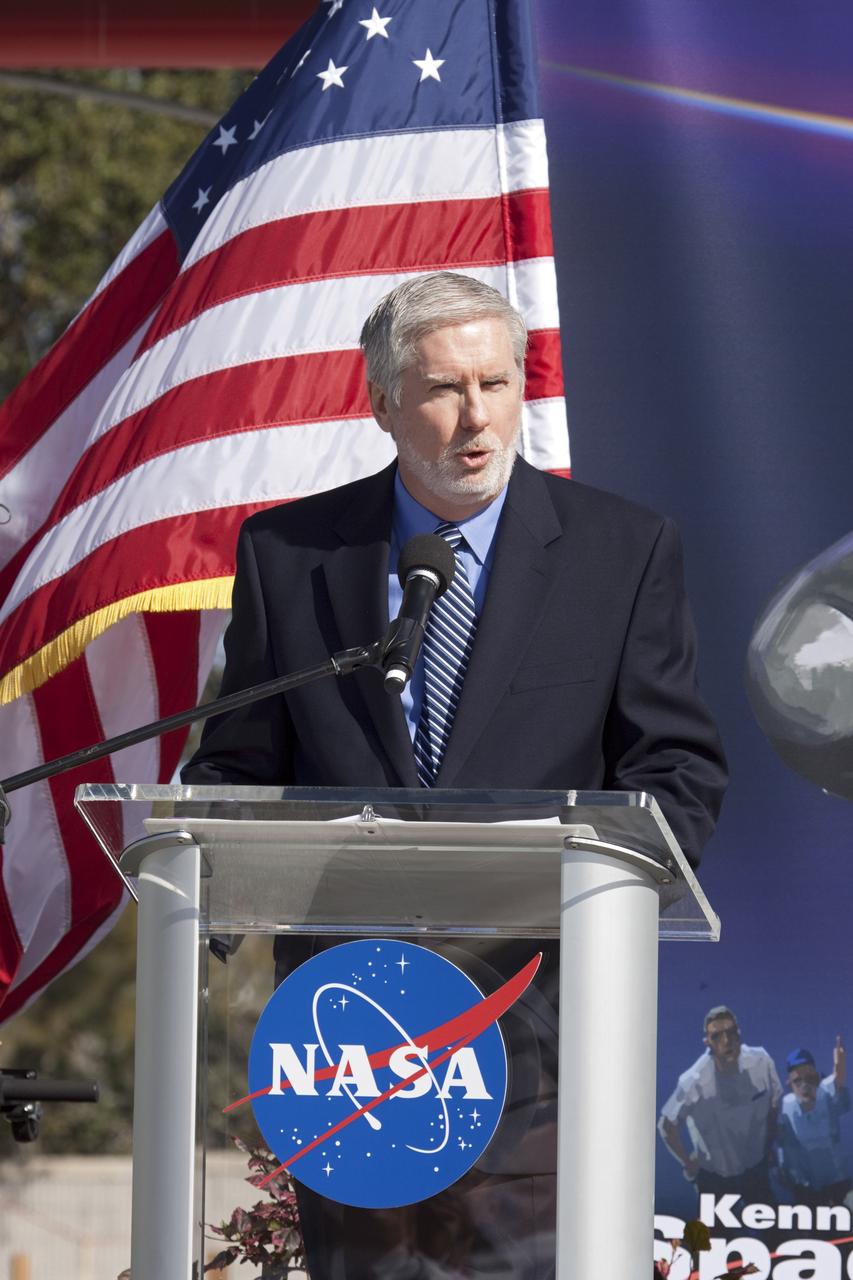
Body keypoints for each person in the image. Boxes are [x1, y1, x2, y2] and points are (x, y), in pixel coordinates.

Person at [185, 271, 728, 1279]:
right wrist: (207, 869)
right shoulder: (289, 553)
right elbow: (238, 758)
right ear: (382, 401)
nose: (475, 416)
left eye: (496, 381)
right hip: (351, 1035)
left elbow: (676, 766)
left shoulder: (620, 550)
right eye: (442, 389)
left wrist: (617, 887)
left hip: (539, 1022)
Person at [658, 1006, 782, 1204]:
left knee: (774, 1232)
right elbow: (666, 1125)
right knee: (707, 1235)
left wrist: (768, 1147)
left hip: (755, 1169)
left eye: (731, 1032)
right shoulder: (693, 1081)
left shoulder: (762, 1062)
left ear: (739, 1034)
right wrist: (688, 1163)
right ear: (707, 1042)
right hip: (714, 1177)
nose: (726, 1041)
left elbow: (774, 1106)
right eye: (717, 1036)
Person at [777, 1039, 851, 1207]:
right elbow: (783, 1143)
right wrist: (782, 1169)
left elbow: (838, 1081)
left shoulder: (826, 1093)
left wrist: (840, 1064)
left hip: (839, 1182)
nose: (805, 1085)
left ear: (818, 1079)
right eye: (798, 1081)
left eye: (810, 1079)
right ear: (790, 1084)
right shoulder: (786, 1107)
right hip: (807, 1189)